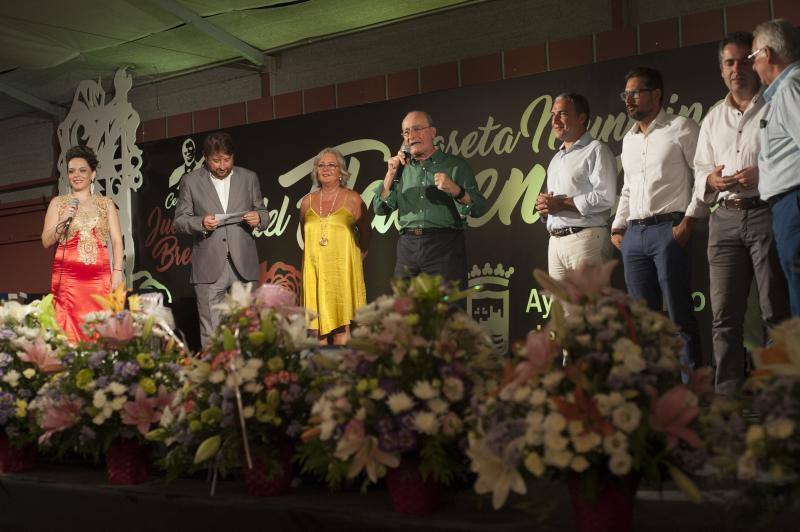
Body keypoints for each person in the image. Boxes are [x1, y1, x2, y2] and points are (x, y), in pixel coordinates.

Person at [694, 32, 790, 394]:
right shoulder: (712, 119)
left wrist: (761, 174)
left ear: (755, 62)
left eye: (743, 61)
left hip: (766, 212)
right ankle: (727, 397)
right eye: (729, 63)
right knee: (723, 317)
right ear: (721, 71)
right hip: (724, 219)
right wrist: (712, 180)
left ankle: (781, 396)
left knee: (774, 312)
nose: (738, 69)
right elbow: (699, 169)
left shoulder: (775, 104)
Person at [610, 67, 707, 373]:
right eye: (625, 94)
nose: (628, 100)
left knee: (678, 315)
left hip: (669, 229)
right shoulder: (629, 139)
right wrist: (618, 225)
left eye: (635, 92)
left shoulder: (682, 127)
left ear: (656, 94)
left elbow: (703, 175)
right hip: (634, 236)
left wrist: (689, 221)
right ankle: (654, 392)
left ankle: (691, 392)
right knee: (643, 322)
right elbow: (628, 187)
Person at [174, 131, 270, 346]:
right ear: (205, 158)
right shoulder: (190, 181)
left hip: (242, 264)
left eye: (227, 159)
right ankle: (214, 377)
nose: (222, 165)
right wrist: (200, 223)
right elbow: (179, 221)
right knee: (211, 331)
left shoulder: (248, 177)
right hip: (209, 265)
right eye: (216, 161)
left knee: (247, 327)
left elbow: (263, 213)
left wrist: (259, 218)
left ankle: (247, 375)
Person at [373, 110, 487, 287]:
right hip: (407, 247)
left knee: (446, 311)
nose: (411, 136)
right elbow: (380, 209)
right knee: (403, 310)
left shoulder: (455, 165)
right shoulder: (401, 169)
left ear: (433, 132)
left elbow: (479, 208)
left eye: (417, 129)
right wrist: (390, 174)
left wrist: (457, 191)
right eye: (406, 132)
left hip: (443, 246)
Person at [41, 145, 125, 342]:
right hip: (68, 279)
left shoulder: (106, 204)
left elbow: (116, 241)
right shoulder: (58, 203)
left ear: (93, 174)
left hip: (100, 278)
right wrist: (62, 221)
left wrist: (118, 272)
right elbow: (46, 240)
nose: (76, 175)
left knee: (102, 328)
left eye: (82, 170)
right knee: (68, 332)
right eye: (71, 171)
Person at [535, 93, 616, 279]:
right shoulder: (556, 158)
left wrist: (561, 204)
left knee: (589, 307)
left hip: (586, 240)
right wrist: (545, 207)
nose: (554, 120)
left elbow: (605, 197)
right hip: (555, 242)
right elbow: (554, 202)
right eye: (552, 114)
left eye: (562, 114)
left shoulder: (596, 150)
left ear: (581, 118)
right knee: (560, 308)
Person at [751, 19, 800, 316]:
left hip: (794, 204)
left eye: (751, 57)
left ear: (766, 54)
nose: (752, 66)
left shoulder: (791, 87)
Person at [300, 148, 370, 345]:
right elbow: (307, 239)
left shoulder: (354, 199)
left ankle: (341, 374)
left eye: (331, 165)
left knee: (341, 327)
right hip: (314, 274)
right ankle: (319, 375)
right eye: (321, 165)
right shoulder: (307, 202)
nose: (326, 169)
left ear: (341, 171)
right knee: (315, 332)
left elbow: (366, 234)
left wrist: (355, 260)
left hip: (342, 273)